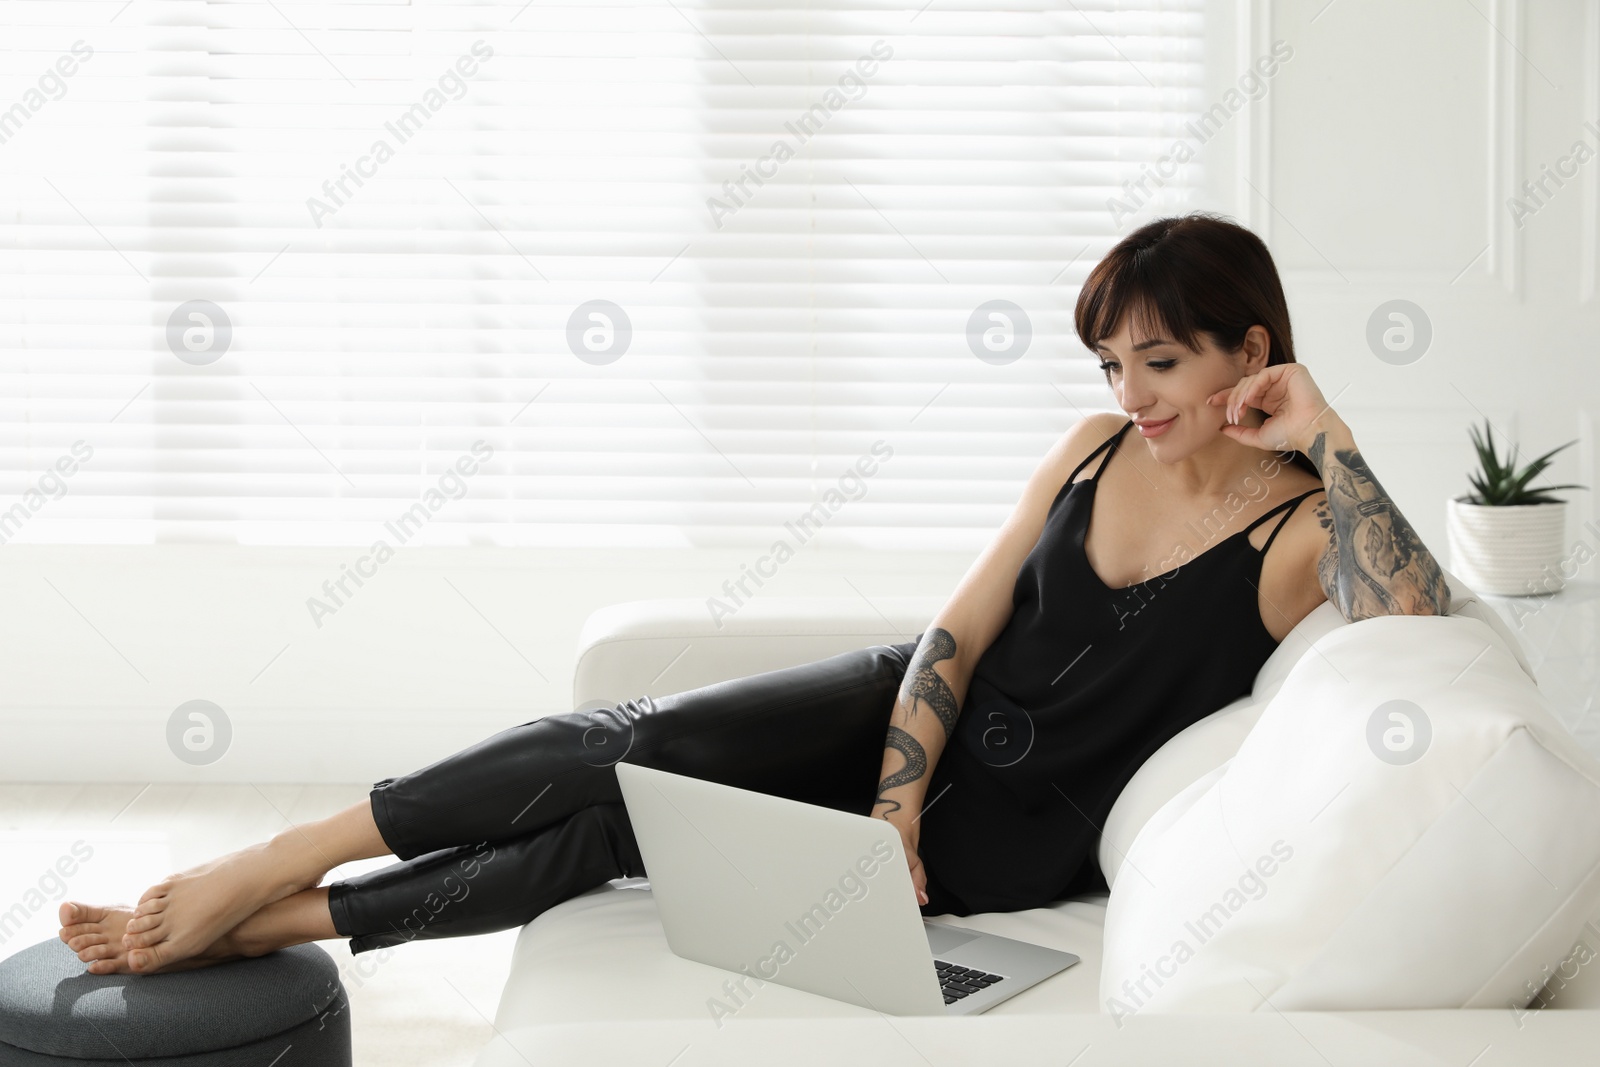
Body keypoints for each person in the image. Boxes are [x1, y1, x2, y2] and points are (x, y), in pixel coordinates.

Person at [58, 211, 1451, 975]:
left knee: (622, 832)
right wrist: (894, 800)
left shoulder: (1300, 535)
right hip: (904, 716)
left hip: (1015, 839)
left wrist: (1327, 432)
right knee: (632, 740)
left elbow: (1415, 634)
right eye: (1110, 365)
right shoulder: (1093, 452)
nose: (1128, 397)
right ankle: (279, 858)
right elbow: (961, 633)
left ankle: (275, 923)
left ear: (1248, 352)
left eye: (1159, 363)